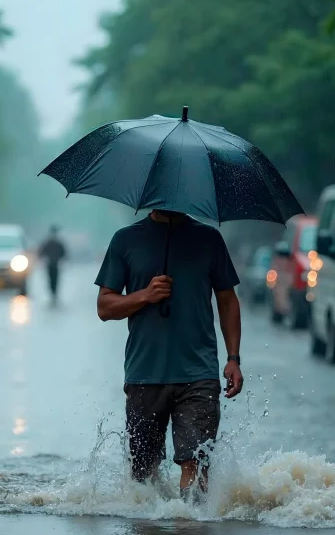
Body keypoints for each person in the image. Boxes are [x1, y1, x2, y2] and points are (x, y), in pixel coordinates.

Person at [95, 210, 242, 502]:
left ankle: (192, 524)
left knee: (196, 463)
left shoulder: (209, 239)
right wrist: (145, 295)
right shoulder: (125, 240)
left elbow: (227, 299)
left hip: (199, 374)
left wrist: (233, 358)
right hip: (144, 373)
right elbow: (104, 307)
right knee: (143, 472)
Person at [38, 225, 67, 302]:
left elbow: (64, 253)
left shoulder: (52, 243)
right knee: (53, 279)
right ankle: (53, 293)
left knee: (53, 279)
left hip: (54, 265)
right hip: (51, 264)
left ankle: (53, 293)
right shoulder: (54, 243)